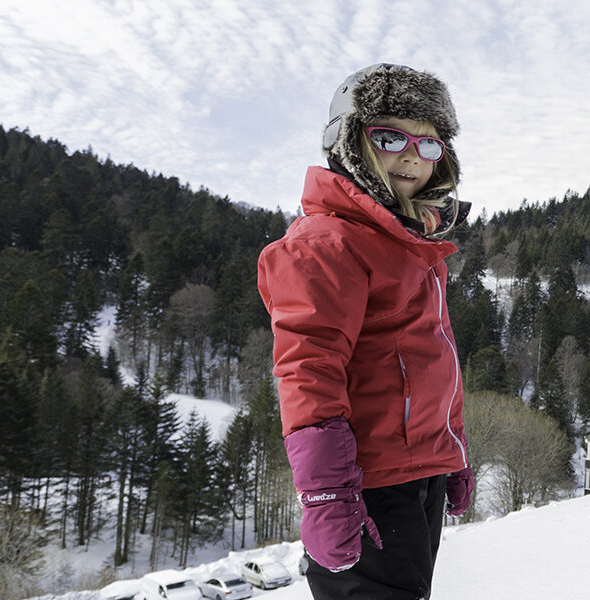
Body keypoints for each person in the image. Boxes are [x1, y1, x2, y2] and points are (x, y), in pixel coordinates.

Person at [256, 63, 476, 600]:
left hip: (415, 477)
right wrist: (328, 494)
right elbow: (309, 373)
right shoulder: (326, 243)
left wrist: (451, 451)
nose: (410, 154)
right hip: (366, 487)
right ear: (350, 141)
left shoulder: (414, 250)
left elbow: (431, 366)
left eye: (428, 143)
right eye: (389, 135)